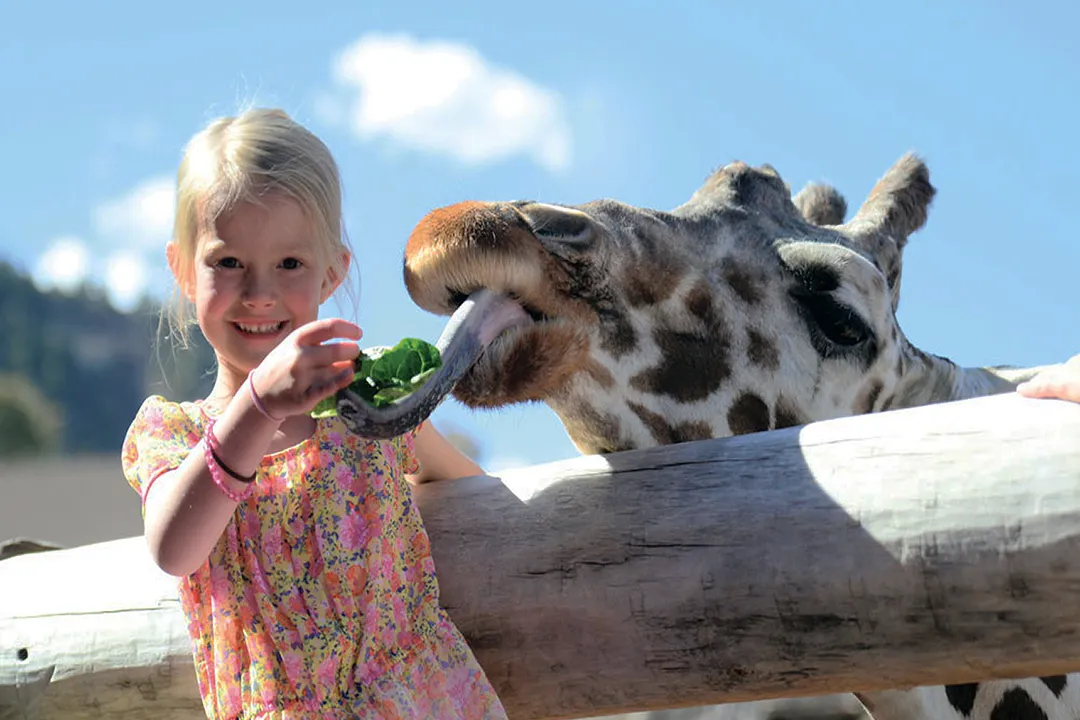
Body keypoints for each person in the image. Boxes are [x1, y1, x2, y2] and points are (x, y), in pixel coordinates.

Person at [121, 107, 508, 720]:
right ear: (183, 271)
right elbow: (175, 548)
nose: (259, 293)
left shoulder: (369, 405)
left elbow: (472, 489)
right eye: (228, 262)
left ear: (332, 273)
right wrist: (258, 405)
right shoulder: (175, 432)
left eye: (290, 265)